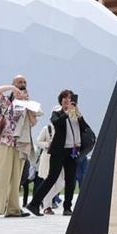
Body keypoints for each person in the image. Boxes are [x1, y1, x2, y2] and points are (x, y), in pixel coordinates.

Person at [26, 89, 95, 217]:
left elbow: (85, 128)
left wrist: (79, 115)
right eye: (65, 99)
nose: (68, 101)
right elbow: (56, 123)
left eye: (70, 99)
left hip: (73, 151)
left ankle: (67, 207)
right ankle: (34, 204)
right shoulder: (57, 112)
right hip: (59, 151)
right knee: (51, 178)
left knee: (70, 180)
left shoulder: (75, 114)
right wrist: (67, 112)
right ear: (61, 101)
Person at [0, 75, 37, 218]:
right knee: (1, 175)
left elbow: (33, 123)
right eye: (19, 82)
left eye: (24, 82)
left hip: (20, 144)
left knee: (16, 179)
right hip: (6, 142)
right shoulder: (7, 103)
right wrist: (13, 88)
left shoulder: (28, 105)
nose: (23, 84)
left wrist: (29, 107)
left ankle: (13, 209)